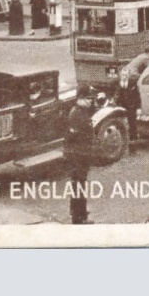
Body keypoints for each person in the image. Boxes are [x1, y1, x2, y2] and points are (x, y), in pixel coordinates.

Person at [65, 87, 96, 224]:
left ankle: (80, 213)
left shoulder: (81, 111)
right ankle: (79, 218)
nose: (91, 101)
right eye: (88, 98)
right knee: (79, 187)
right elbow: (75, 140)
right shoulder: (76, 115)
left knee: (79, 186)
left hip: (81, 157)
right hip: (78, 157)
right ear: (80, 99)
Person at [117, 68, 142, 152]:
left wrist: (138, 108)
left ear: (128, 75)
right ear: (120, 75)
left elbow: (137, 97)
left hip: (131, 108)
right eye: (123, 75)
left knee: (132, 127)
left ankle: (133, 149)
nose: (124, 76)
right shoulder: (116, 84)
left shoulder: (132, 84)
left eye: (126, 75)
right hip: (120, 108)